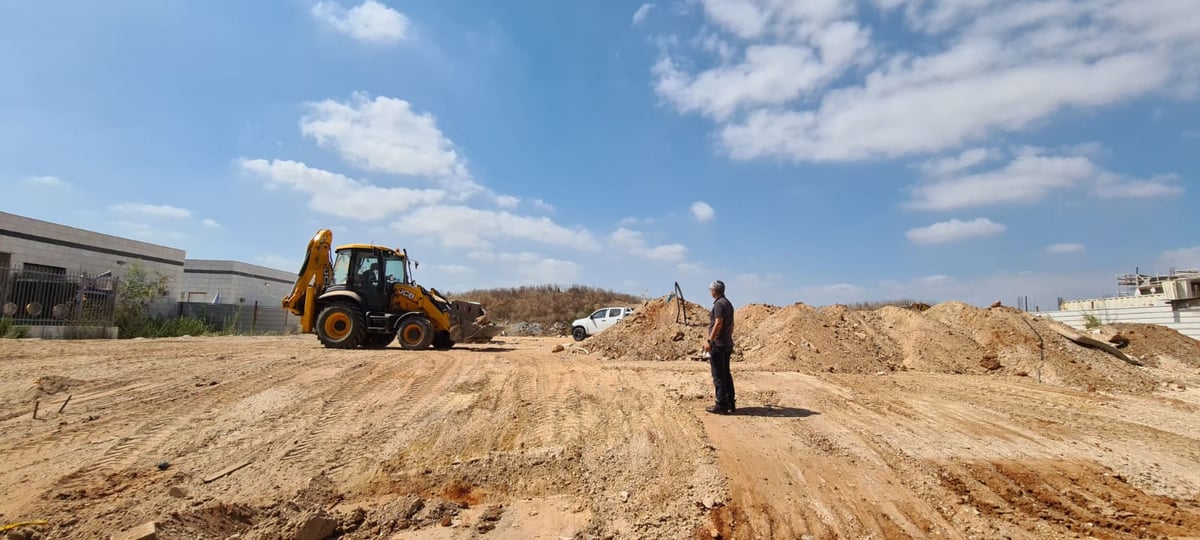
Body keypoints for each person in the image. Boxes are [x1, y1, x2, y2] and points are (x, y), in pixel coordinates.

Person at [702, 280, 736, 414]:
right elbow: (732, 325)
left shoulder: (719, 304)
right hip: (726, 343)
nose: (710, 291)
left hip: (718, 345)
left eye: (711, 289)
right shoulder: (728, 304)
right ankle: (730, 403)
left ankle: (721, 405)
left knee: (718, 375)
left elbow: (718, 323)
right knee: (726, 374)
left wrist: (710, 340)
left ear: (715, 290)